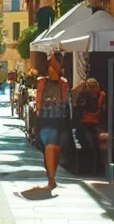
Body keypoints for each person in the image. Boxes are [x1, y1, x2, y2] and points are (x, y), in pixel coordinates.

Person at [35, 56, 71, 190]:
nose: (52, 65)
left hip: (60, 120)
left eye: (54, 62)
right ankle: (51, 179)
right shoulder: (41, 81)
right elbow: (39, 101)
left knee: (56, 150)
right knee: (50, 147)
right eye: (50, 62)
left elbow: (65, 100)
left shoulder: (63, 83)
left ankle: (52, 177)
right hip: (46, 119)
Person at [73, 78, 105, 153]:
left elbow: (101, 111)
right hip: (84, 125)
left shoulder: (100, 96)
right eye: (91, 87)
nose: (93, 89)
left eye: (95, 86)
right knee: (89, 141)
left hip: (96, 125)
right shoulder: (83, 97)